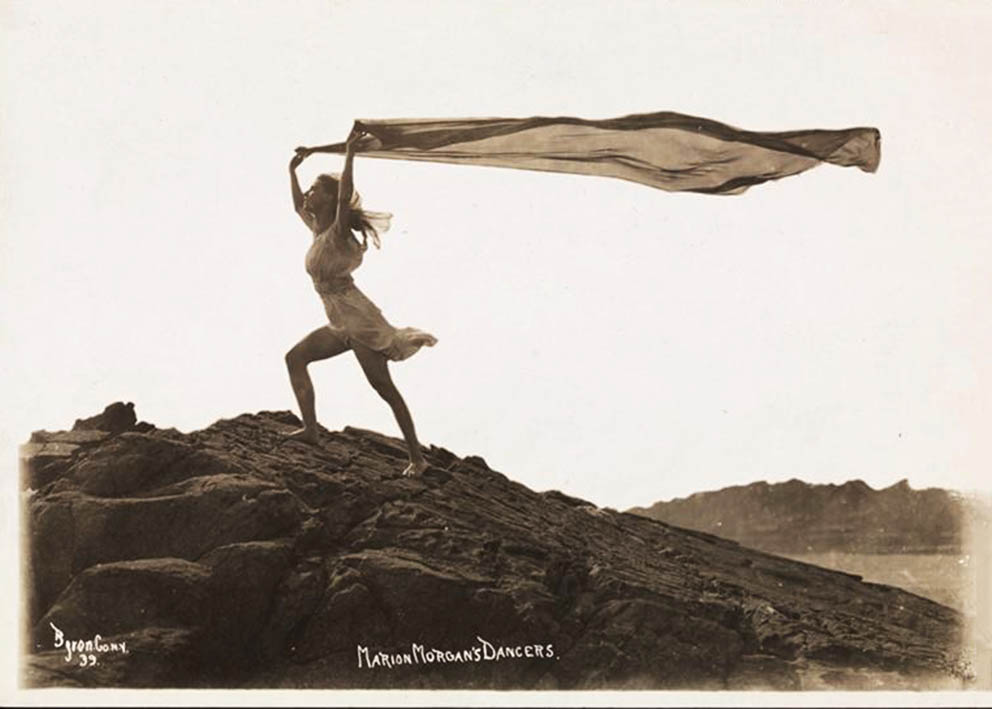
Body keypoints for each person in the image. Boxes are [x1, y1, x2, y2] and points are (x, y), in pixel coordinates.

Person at [285, 124, 437, 476]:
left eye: (313, 190)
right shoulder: (318, 230)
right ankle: (310, 431)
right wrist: (292, 172)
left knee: (383, 387)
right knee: (295, 358)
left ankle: (417, 458)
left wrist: (350, 154)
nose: (308, 195)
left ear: (328, 198)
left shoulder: (338, 232)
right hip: (339, 319)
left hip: (358, 319)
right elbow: (296, 206)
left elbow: (344, 196)